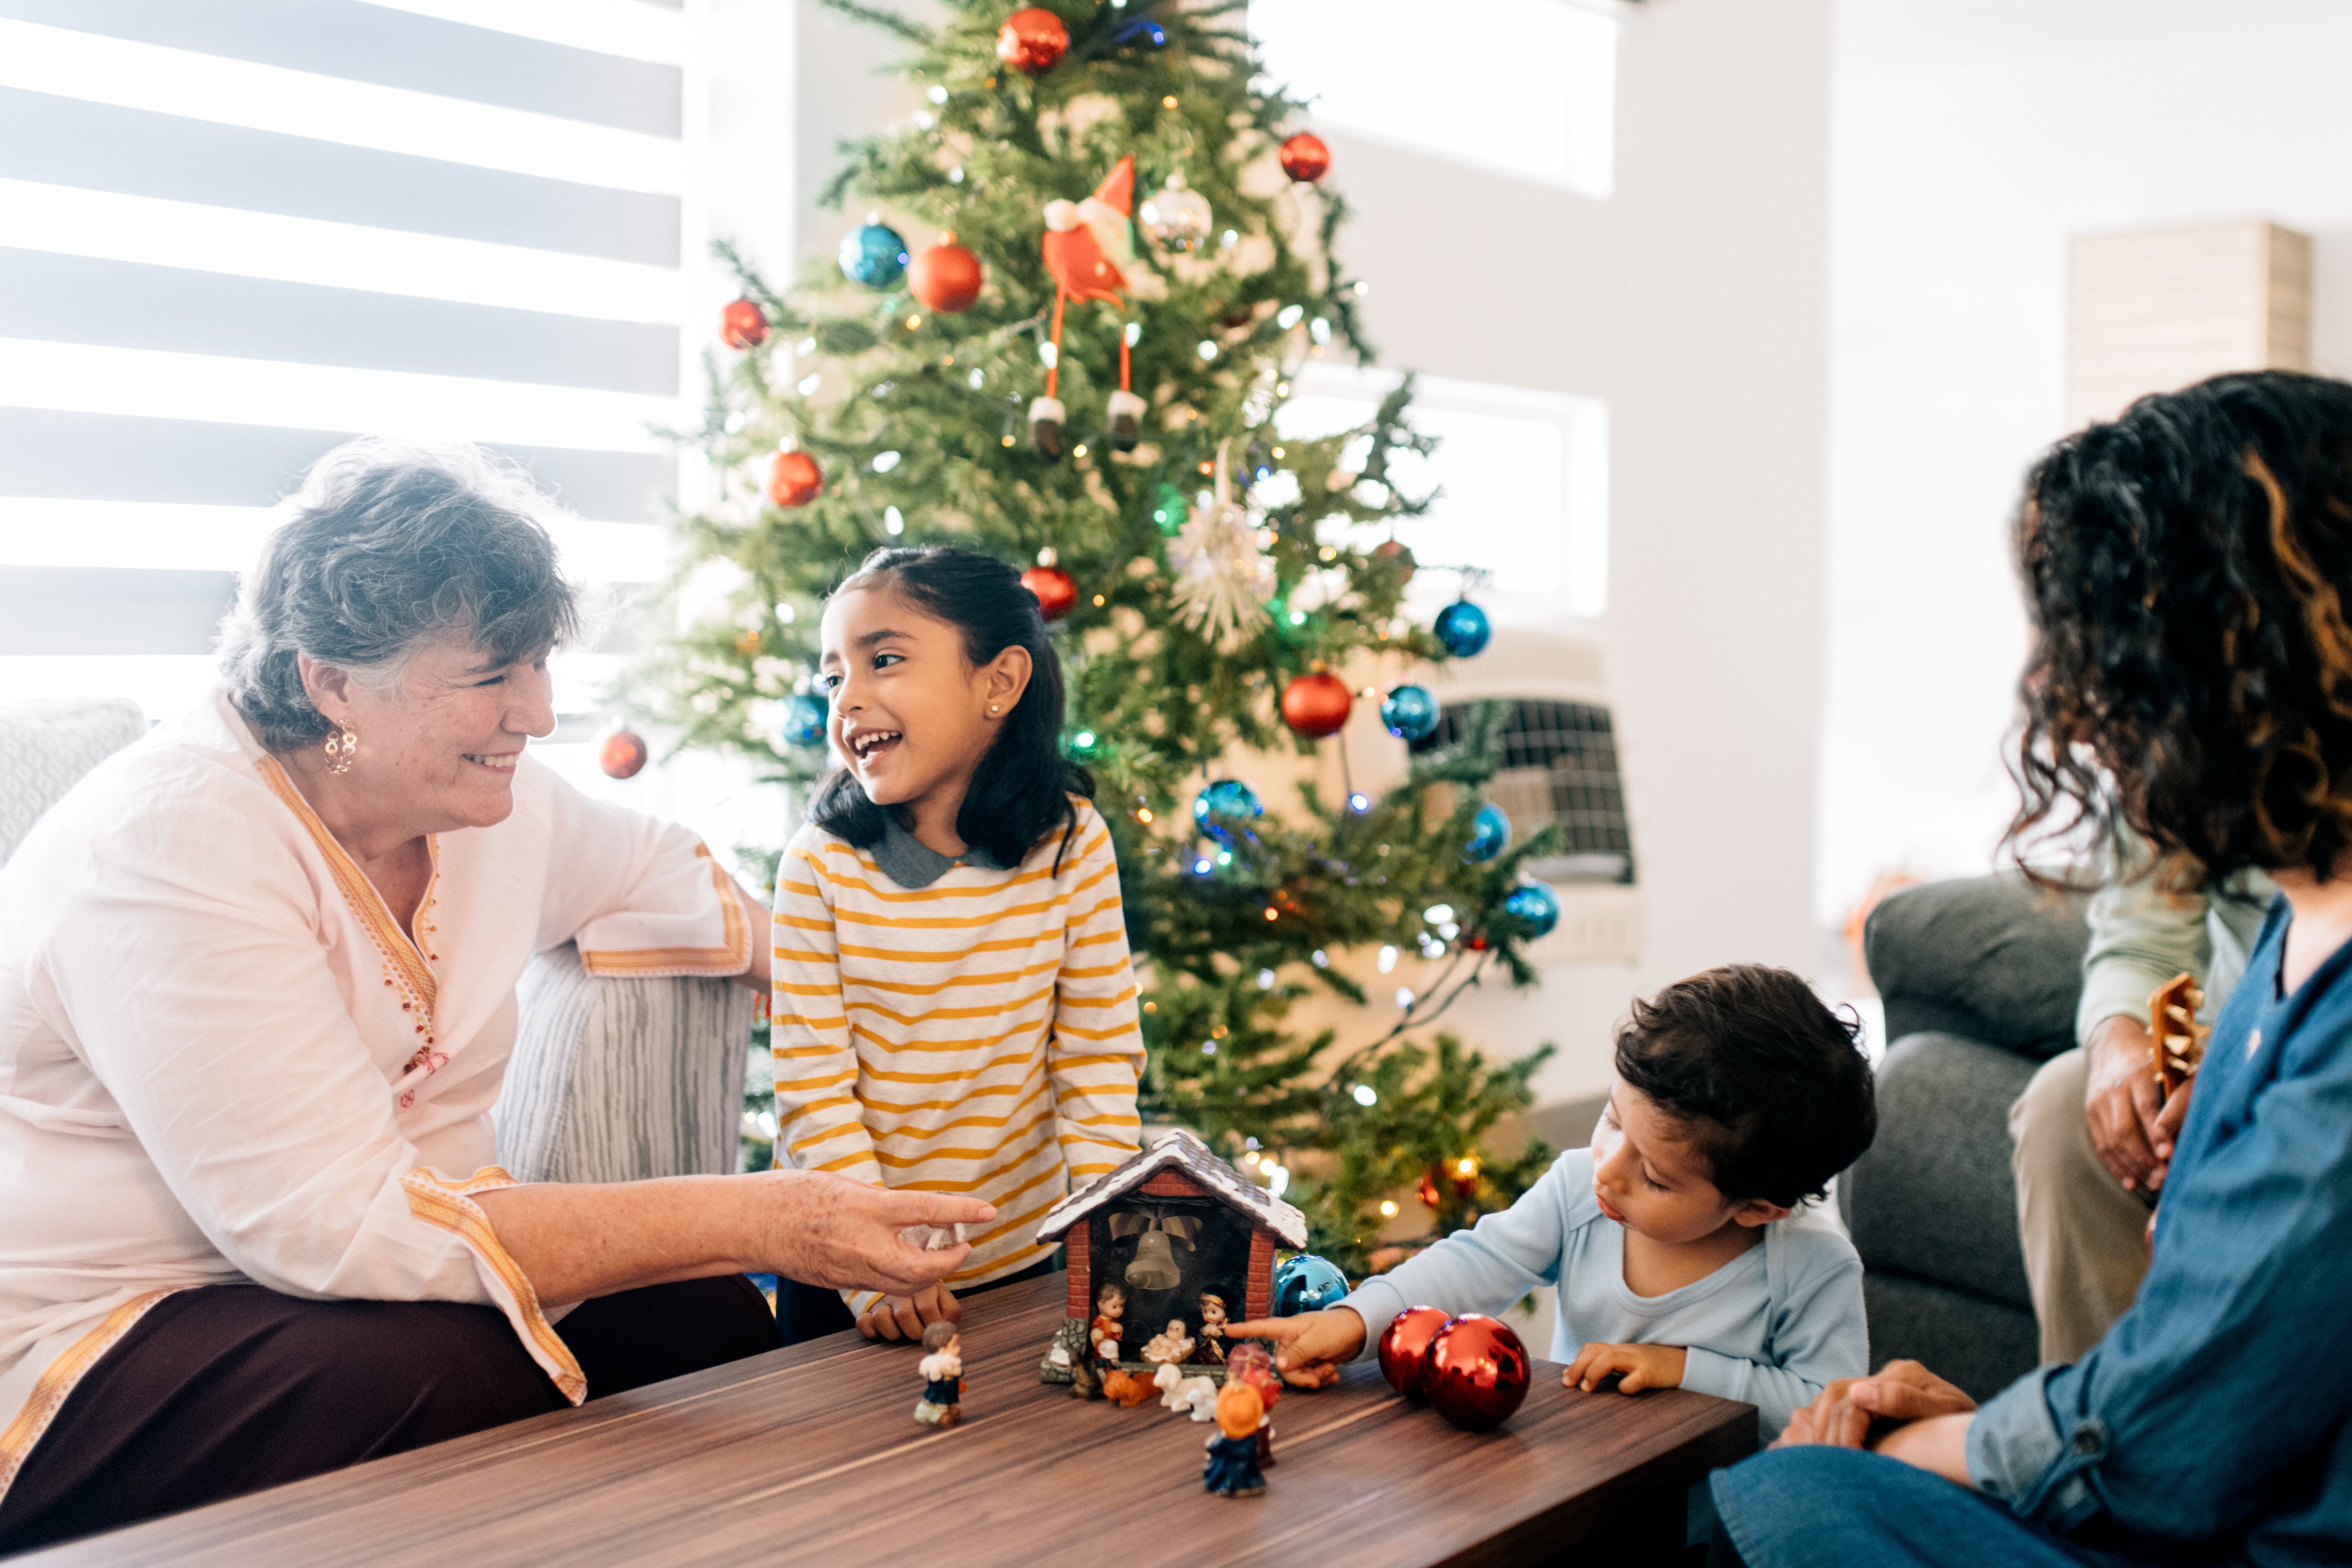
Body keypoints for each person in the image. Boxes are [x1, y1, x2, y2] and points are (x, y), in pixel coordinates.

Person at [0, 443, 991, 1554]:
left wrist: (904, 995)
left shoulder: (481, 802)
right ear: (331, 679)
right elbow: (337, 1226)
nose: (538, 711)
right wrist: (769, 1216)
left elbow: (658, 876)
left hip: (346, 1279)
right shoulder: (170, 845)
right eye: (490, 676)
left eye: (537, 665)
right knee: (455, 1371)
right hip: (101, 1322)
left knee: (701, 1316)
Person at [1711, 371, 2352, 1567]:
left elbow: (2168, 1445)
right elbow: (2190, 1365)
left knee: (1790, 1500)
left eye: (2115, 656)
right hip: (2201, 1476)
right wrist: (1986, 1428)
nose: (2083, 708)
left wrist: (1925, 1455)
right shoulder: (2291, 921)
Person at [1230, 963, 1877, 1444]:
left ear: (1758, 1209)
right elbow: (1475, 1264)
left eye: (1655, 1176)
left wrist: (1682, 1369)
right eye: (1612, 1120)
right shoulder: (1578, 1189)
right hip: (1577, 1482)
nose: (1609, 1169)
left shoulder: (1813, 1267)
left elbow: (1829, 1409)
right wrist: (1356, 1320)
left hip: (1712, 1527)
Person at [767, 546, 1145, 1346]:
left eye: (886, 660)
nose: (850, 698)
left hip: (1018, 1264)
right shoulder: (820, 865)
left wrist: (1109, 1234)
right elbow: (814, 1094)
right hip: (848, 1278)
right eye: (834, 676)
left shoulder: (1071, 844)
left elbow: (1096, 1060)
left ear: (1000, 683)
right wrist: (879, 1266)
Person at [2009, 840, 2271, 1362]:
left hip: (2302, 1057)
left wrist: (2240, 1082)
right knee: (2061, 1109)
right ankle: (2099, 1420)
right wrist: (2116, 1037)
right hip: (2226, 1036)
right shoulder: (2170, 768)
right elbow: (2140, 936)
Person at [913, 1321, 963, 1429]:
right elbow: (933, 1375)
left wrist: (957, 1372)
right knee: (941, 1400)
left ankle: (951, 1408)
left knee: (951, 1397)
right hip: (940, 1387)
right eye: (955, 1346)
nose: (959, 1348)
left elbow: (958, 1370)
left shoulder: (952, 1361)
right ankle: (941, 1414)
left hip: (951, 1385)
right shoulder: (933, 1363)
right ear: (942, 1349)